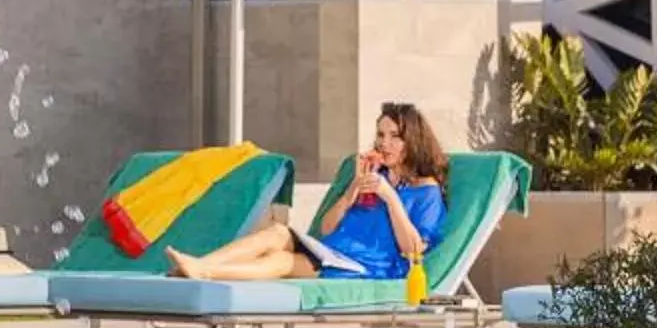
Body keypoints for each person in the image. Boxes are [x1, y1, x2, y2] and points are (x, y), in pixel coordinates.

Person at [168, 102, 450, 283]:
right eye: (380, 134)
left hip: (368, 266)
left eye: (394, 136)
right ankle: (201, 264)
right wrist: (351, 191)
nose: (384, 143)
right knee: (279, 233)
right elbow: (327, 228)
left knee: (283, 261)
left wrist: (390, 198)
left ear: (411, 141)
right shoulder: (373, 176)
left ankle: (206, 273)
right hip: (333, 250)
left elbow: (413, 250)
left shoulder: (426, 192)